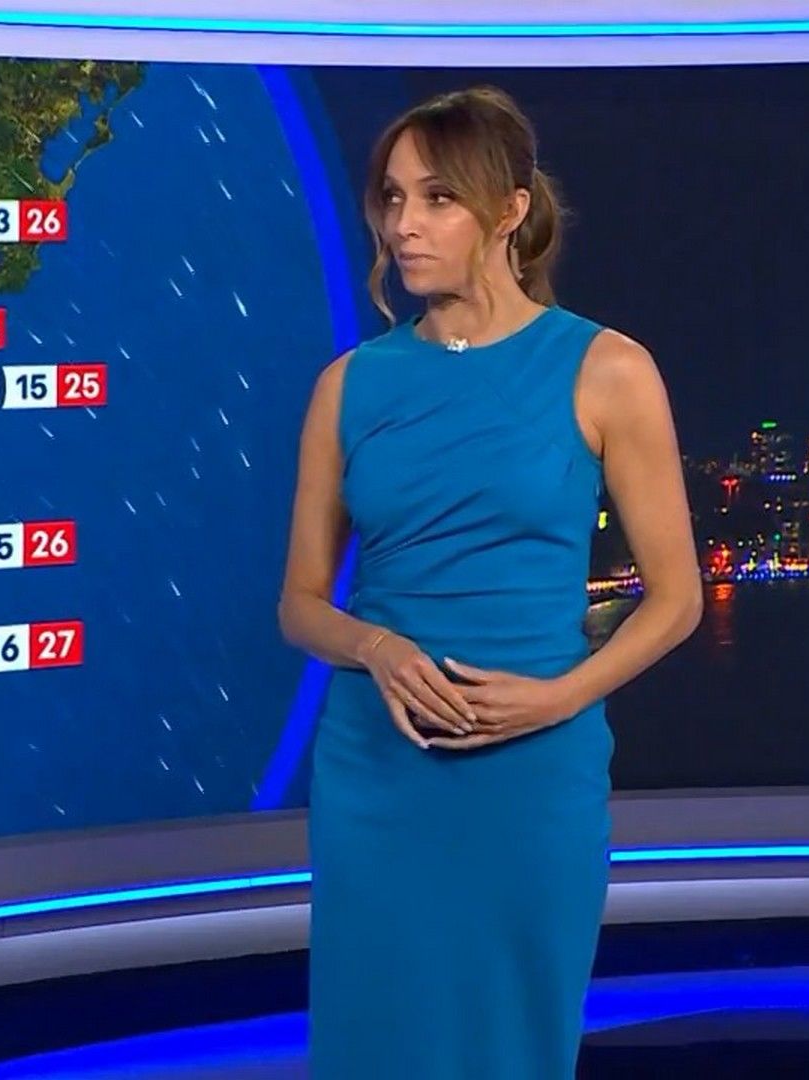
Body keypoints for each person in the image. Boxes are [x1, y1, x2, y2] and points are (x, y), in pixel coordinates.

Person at [277, 86, 703, 1078]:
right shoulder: (349, 386)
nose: (403, 224)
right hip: (379, 768)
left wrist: (560, 697)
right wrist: (376, 646)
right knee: (376, 1038)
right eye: (392, 198)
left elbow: (678, 598)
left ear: (510, 210)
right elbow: (299, 602)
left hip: (533, 768)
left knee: (514, 1038)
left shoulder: (607, 370)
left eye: (437, 199)